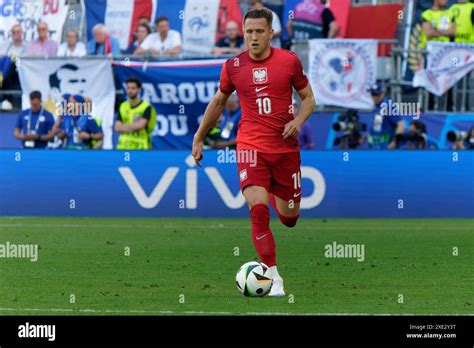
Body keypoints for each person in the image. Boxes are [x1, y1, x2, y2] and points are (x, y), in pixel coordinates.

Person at [192, 8, 316, 296]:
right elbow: (219, 101)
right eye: (249, 31)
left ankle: (274, 191)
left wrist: (298, 121)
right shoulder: (233, 66)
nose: (253, 37)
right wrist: (199, 136)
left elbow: (309, 99)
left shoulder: (289, 61)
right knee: (258, 210)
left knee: (289, 218)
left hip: (285, 150)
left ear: (271, 32)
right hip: (250, 147)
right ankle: (273, 275)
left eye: (260, 31)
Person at [115, 77, 157, 150]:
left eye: (133, 88)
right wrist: (133, 126)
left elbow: (140, 125)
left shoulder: (146, 107)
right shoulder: (123, 106)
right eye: (128, 88)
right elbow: (117, 127)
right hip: (123, 147)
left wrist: (124, 126)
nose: (130, 91)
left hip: (141, 146)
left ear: (139, 90)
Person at [369, 83, 405, 149]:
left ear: (382, 94)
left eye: (377, 95)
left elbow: (401, 125)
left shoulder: (388, 106)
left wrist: (395, 142)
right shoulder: (377, 107)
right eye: (373, 94)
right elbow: (378, 126)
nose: (375, 97)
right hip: (378, 144)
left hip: (388, 145)